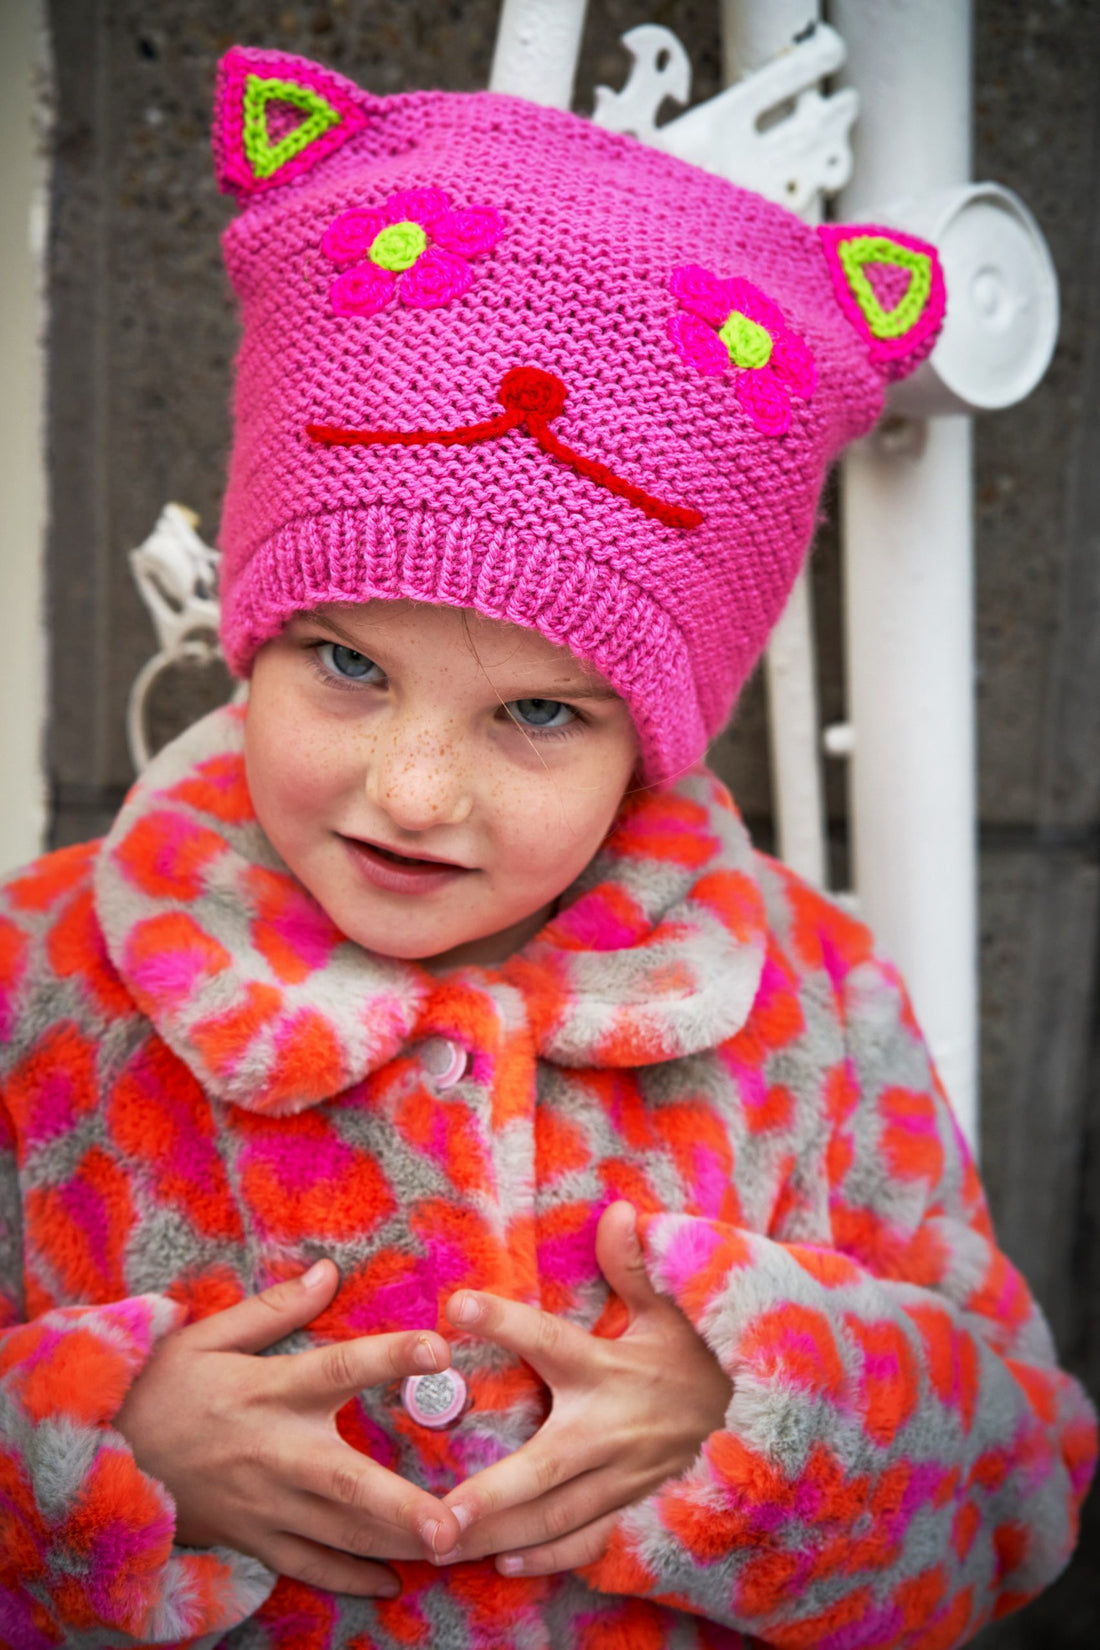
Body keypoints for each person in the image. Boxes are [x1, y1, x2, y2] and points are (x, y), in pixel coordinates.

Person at [0, 41, 1094, 1650]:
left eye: (539, 716)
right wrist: (92, 1449)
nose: (416, 788)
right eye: (349, 664)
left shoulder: (807, 1010)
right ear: (251, 636)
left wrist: (758, 1412)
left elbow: (1026, 1480)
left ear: (654, 733)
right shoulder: (44, 979)